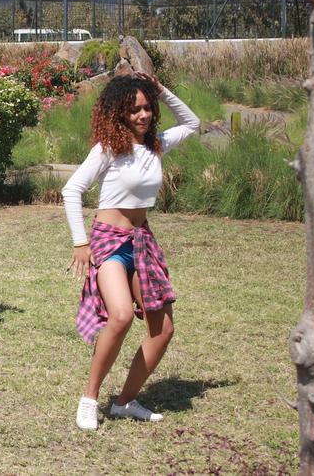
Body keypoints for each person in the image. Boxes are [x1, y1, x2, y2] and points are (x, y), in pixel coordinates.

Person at [61, 72, 199, 431]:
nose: (143, 115)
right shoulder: (109, 148)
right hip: (110, 242)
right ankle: (89, 399)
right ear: (119, 112)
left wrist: (162, 90)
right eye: (134, 109)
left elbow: (192, 123)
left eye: (147, 107)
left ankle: (124, 402)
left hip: (141, 241)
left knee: (163, 329)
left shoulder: (156, 146)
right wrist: (80, 242)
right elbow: (71, 190)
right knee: (120, 316)